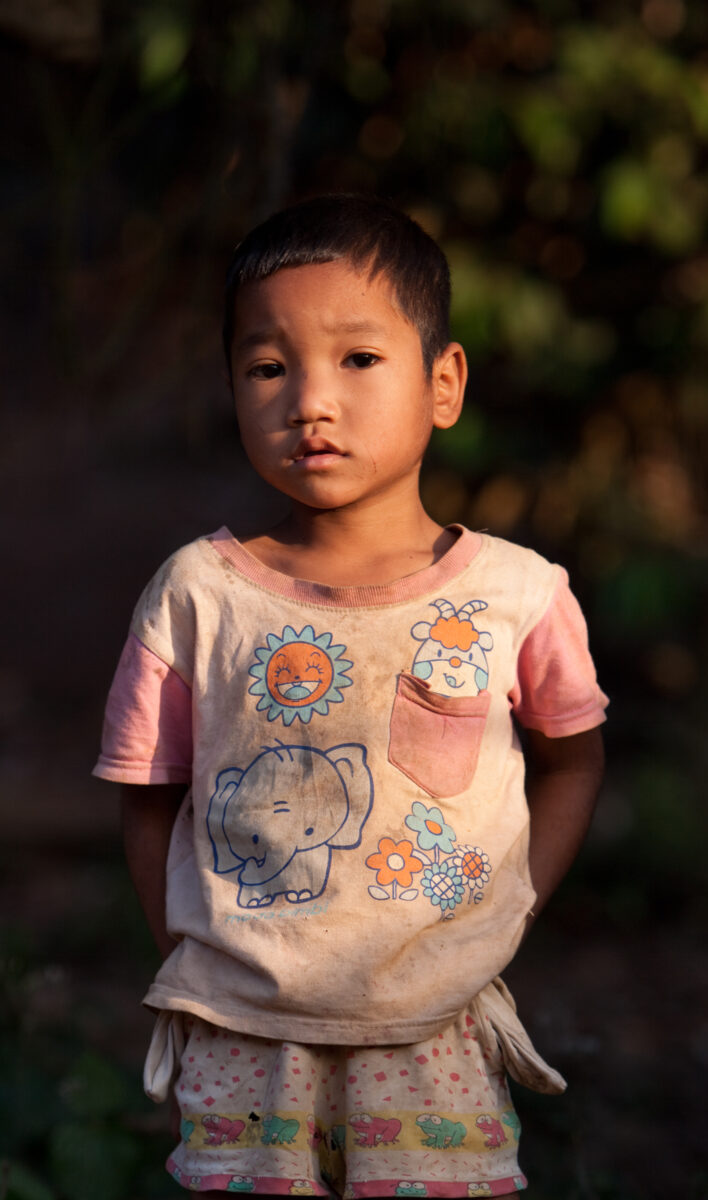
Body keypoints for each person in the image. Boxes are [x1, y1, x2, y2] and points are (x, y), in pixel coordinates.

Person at [93, 193, 607, 1199]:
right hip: (244, 1034)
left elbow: (571, 758)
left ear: (443, 381)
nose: (309, 402)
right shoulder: (199, 595)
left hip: (432, 1028)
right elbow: (147, 792)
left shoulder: (516, 596)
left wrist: (507, 912)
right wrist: (206, 965)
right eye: (268, 367)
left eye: (357, 360)